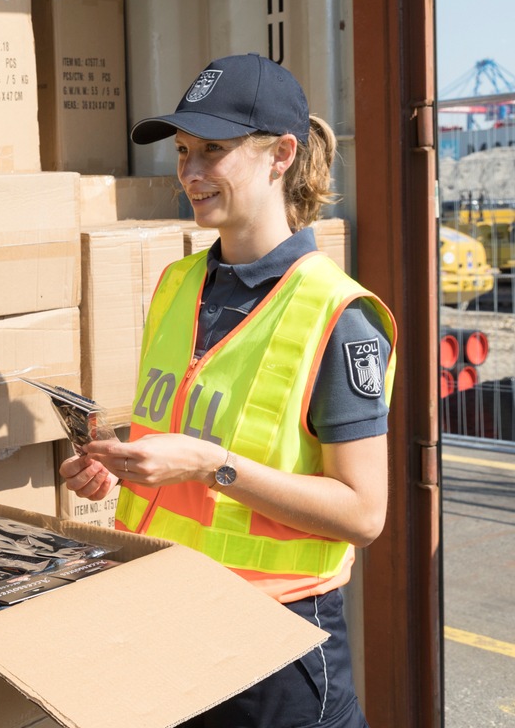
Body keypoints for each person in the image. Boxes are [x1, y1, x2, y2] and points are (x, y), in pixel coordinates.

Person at [61, 53, 396, 727]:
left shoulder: (339, 315)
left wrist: (212, 466)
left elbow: (363, 514)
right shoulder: (177, 283)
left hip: (277, 647)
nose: (189, 172)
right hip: (168, 615)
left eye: (212, 150)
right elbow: (185, 438)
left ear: (281, 154)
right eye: (183, 152)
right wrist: (122, 463)